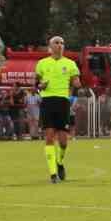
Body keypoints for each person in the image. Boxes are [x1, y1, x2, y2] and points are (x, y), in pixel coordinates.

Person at [36, 36, 80, 183]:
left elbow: (76, 82)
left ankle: (59, 162)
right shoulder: (42, 63)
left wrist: (77, 83)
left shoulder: (70, 64)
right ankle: (53, 174)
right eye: (57, 42)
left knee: (63, 141)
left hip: (63, 102)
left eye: (62, 43)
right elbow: (36, 82)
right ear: (50, 46)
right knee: (49, 136)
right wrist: (40, 86)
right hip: (48, 101)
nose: (60, 45)